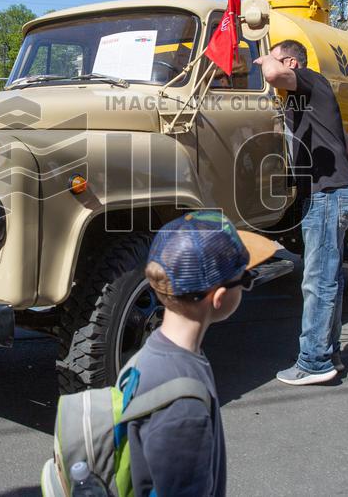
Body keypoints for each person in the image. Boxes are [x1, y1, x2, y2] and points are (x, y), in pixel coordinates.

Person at [128, 210, 276, 497]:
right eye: (245, 278)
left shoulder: (152, 355)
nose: (247, 283)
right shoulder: (183, 405)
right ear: (218, 298)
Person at [254, 39, 348, 386]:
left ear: (292, 64)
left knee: (317, 281)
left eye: (281, 61)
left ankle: (314, 362)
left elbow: (271, 72)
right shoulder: (308, 99)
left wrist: (263, 49)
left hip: (328, 194)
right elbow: (344, 139)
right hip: (333, 191)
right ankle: (330, 354)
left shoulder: (312, 80)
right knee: (329, 280)